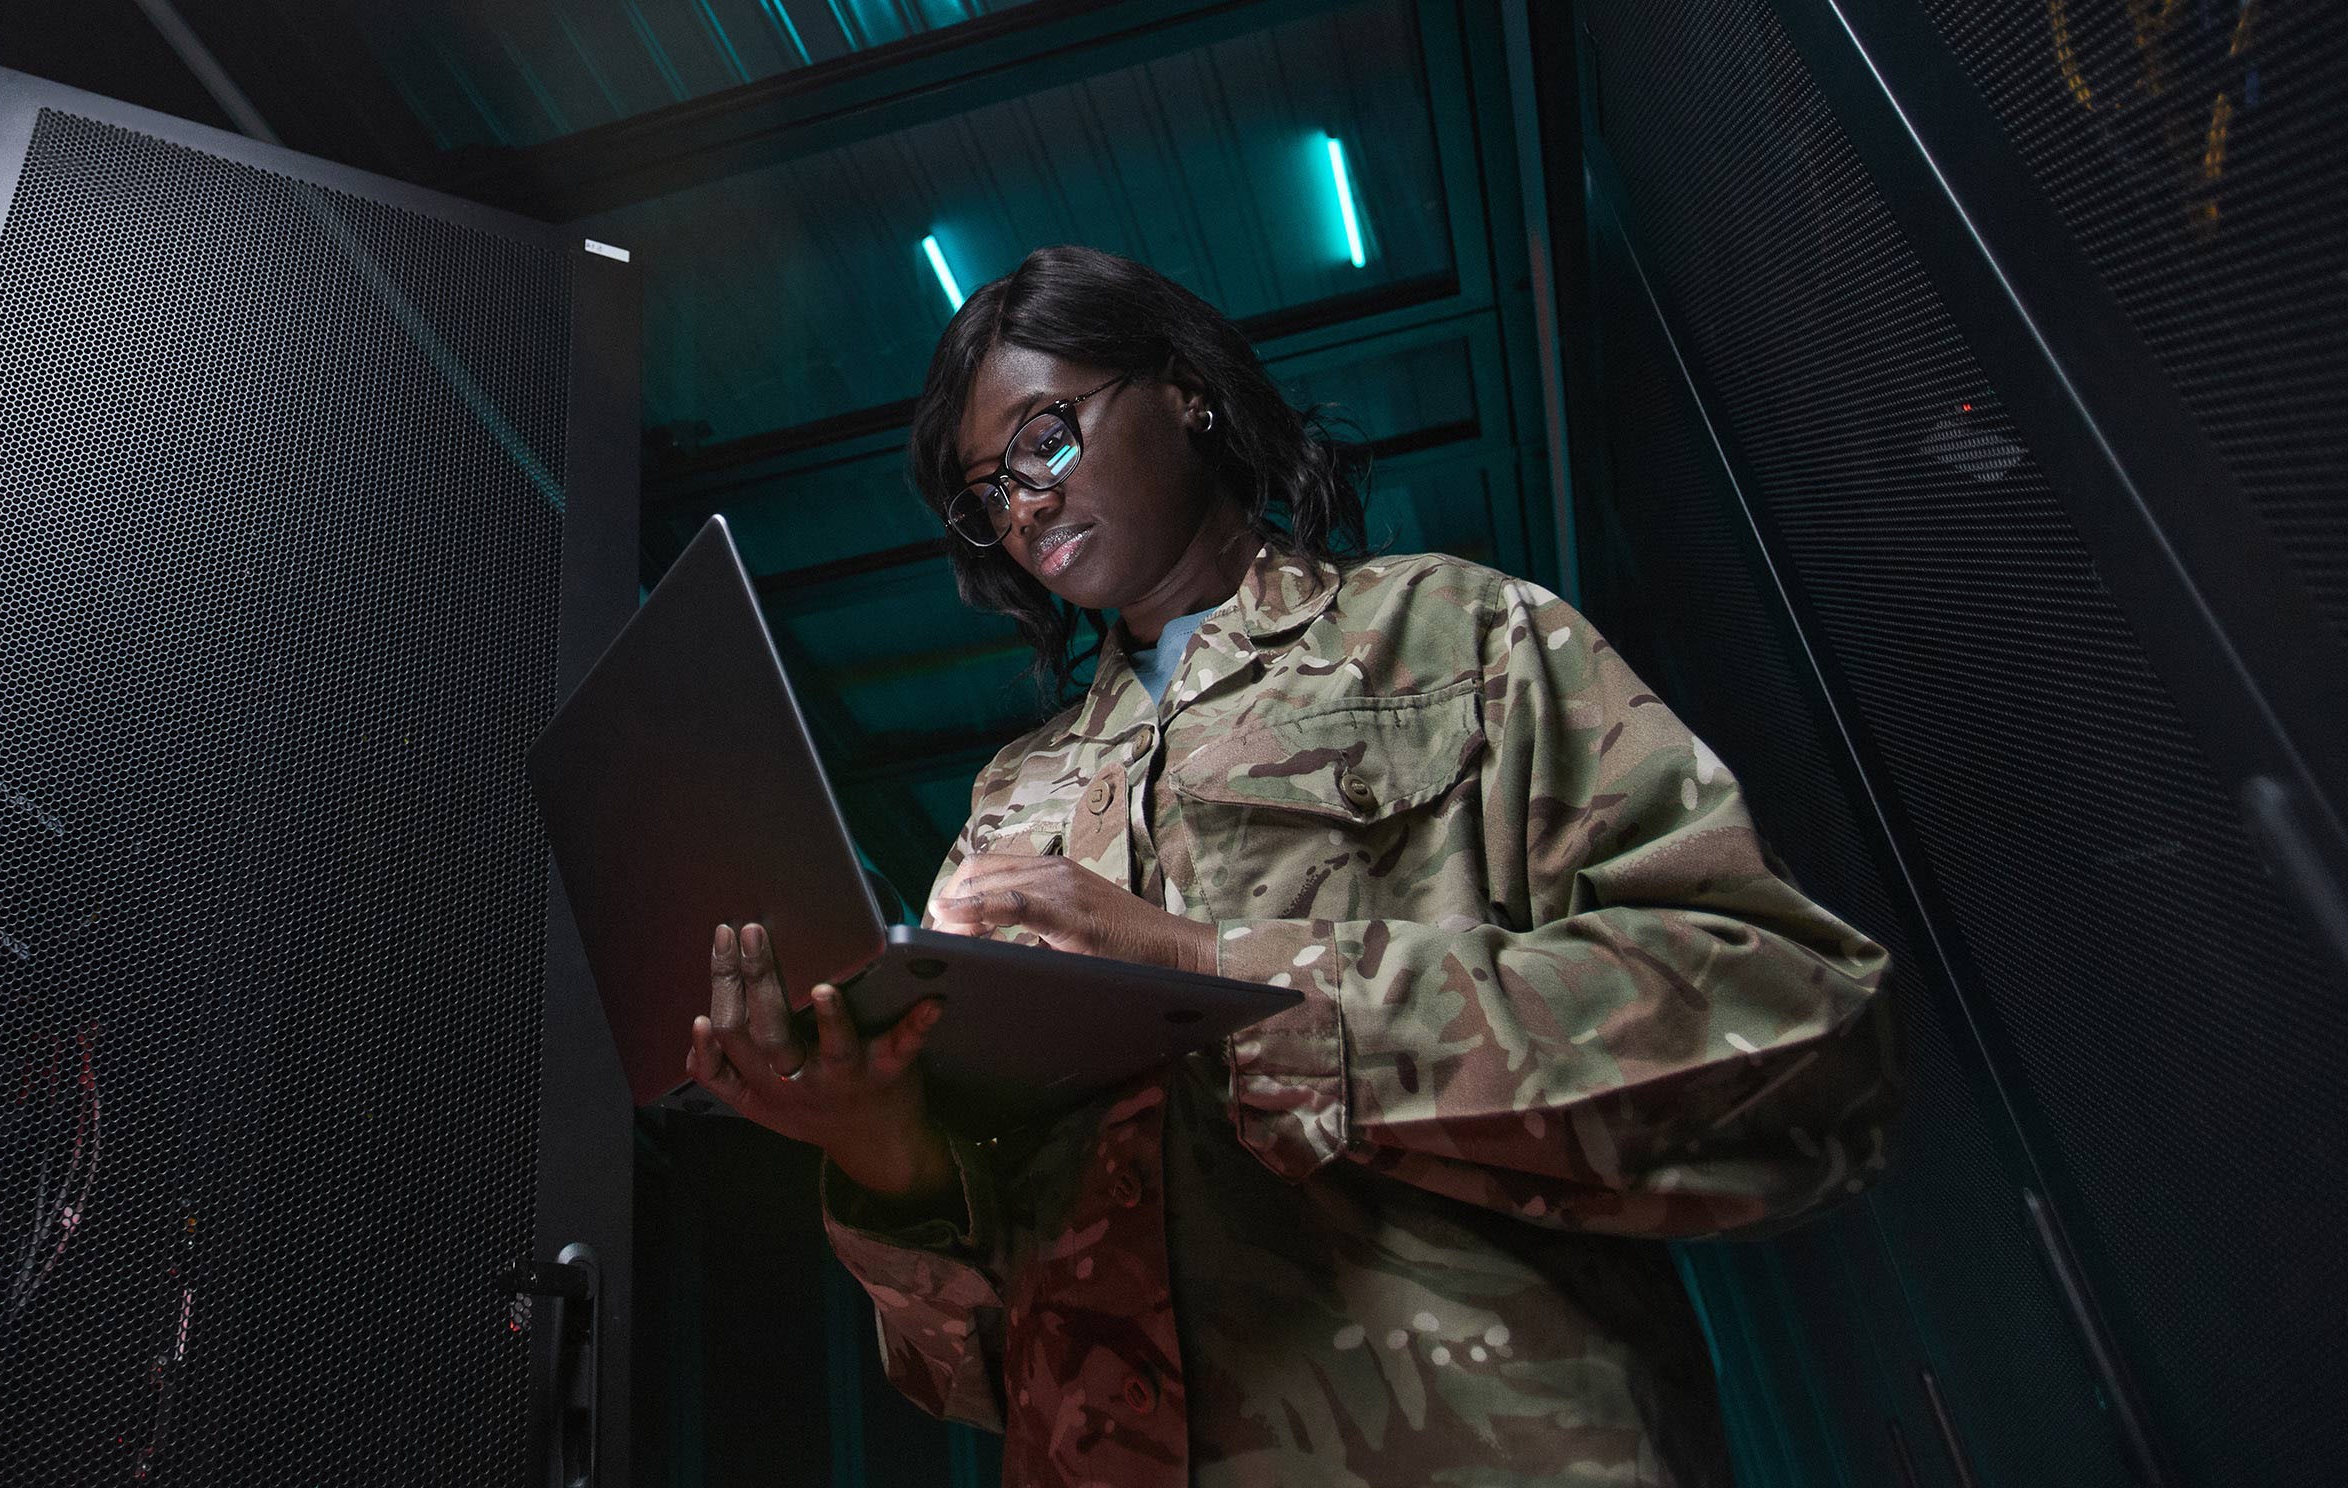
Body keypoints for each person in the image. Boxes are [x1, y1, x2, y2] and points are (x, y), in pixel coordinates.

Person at [687, 246, 1900, 1485]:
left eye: (1046, 439)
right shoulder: (1012, 802)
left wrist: (1222, 974)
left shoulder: (1459, 637)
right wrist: (883, 1152)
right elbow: (977, 1372)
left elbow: (1803, 1028)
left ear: (1186, 391)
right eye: (988, 491)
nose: (1026, 505)